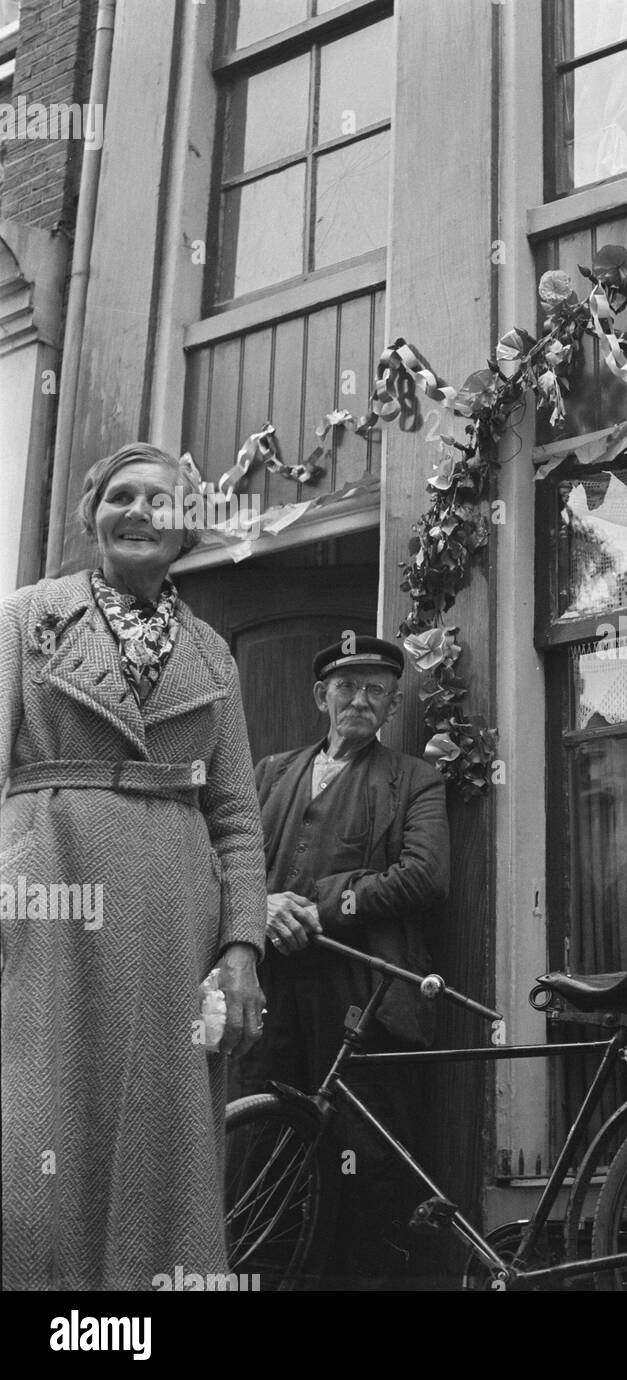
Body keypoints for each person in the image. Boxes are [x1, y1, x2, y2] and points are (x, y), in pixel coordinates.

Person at [0, 442, 267, 1291]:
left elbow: (235, 817)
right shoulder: (25, 618)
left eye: (162, 499)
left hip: (171, 925)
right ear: (91, 517)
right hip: (46, 902)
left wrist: (242, 949)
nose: (140, 511)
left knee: (165, 1147)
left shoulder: (215, 654)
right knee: (32, 1141)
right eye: (121, 495)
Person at [234, 634, 449, 1288]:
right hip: (270, 992)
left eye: (376, 689)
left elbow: (424, 877)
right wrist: (263, 907)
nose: (360, 699)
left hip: (363, 999)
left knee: (365, 1166)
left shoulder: (416, 779)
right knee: (260, 1156)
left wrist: (318, 905)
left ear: (391, 703)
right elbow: (222, 866)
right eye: (346, 687)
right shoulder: (268, 773)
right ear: (320, 696)